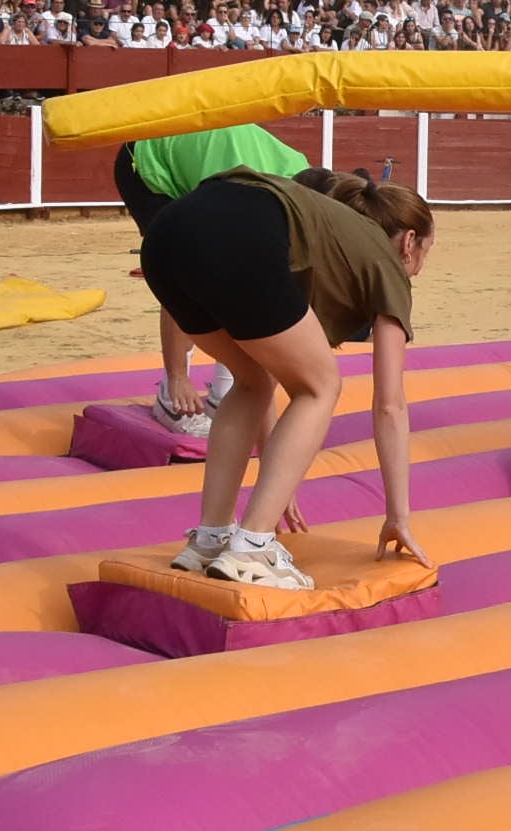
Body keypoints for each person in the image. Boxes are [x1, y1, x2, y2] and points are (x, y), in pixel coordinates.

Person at [139, 164, 433, 590]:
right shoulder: (386, 264)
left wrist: (277, 479)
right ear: (409, 243)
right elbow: (390, 403)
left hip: (166, 239)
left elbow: (267, 381)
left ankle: (211, 537)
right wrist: (398, 517)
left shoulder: (321, 234)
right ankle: (253, 547)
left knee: (251, 378)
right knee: (322, 386)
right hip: (236, 234)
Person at [114, 123, 313, 434]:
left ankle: (225, 386)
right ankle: (173, 387)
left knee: (244, 269)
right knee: (188, 265)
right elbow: (179, 275)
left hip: (216, 178)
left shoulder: (295, 179)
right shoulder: (253, 192)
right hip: (147, 166)